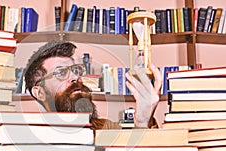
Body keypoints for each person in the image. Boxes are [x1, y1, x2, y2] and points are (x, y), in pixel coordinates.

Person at [24, 40, 162, 130]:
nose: (75, 78)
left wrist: (143, 122)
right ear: (39, 92)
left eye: (76, 70)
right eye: (61, 72)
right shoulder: (29, 134)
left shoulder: (106, 128)